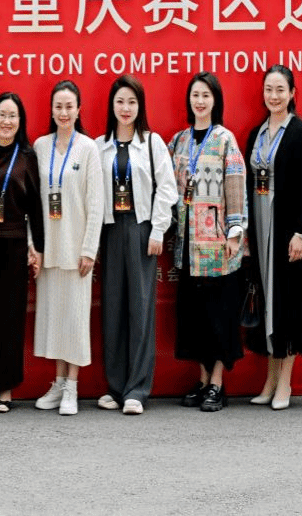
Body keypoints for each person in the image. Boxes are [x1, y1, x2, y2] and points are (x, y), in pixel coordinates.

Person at [96, 75, 177, 416]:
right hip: (111, 230)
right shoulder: (100, 145)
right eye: (120, 101)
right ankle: (116, 387)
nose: (125, 108)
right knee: (113, 309)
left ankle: (138, 389)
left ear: (140, 105)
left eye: (132, 101)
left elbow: (167, 188)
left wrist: (158, 230)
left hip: (142, 230)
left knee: (141, 309)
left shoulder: (152, 142)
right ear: (111, 106)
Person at [170, 71, 247, 412]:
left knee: (218, 316)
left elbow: (236, 185)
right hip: (188, 246)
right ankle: (202, 381)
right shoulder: (179, 141)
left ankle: (217, 383)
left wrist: (235, 232)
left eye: (206, 95)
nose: (199, 101)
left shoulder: (224, 139)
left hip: (217, 245)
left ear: (215, 100)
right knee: (196, 318)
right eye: (195, 95)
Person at [242, 66, 302, 411]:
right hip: (260, 223)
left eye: (280, 90)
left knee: (286, 301)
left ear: (292, 93)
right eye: (269, 89)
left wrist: (300, 231)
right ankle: (270, 380)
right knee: (266, 300)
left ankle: (285, 381)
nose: (274, 96)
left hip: (286, 228)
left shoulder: (299, 132)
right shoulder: (256, 133)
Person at [31, 81, 105, 416]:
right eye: (58, 107)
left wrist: (89, 249)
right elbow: (33, 202)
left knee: (75, 320)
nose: (63, 113)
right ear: (51, 110)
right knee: (55, 319)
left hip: (76, 250)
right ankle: (58, 383)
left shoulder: (88, 148)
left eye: (69, 107)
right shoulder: (40, 146)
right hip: (49, 248)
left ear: (78, 110)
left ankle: (72, 386)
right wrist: (33, 246)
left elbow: (96, 202)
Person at [0, 93, 44, 414]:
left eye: (13, 116)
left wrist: (37, 247)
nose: (7, 121)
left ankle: (6, 387)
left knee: (10, 319)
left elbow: (36, 207)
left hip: (14, 245)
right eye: (2, 114)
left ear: (20, 121)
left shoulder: (27, 156)